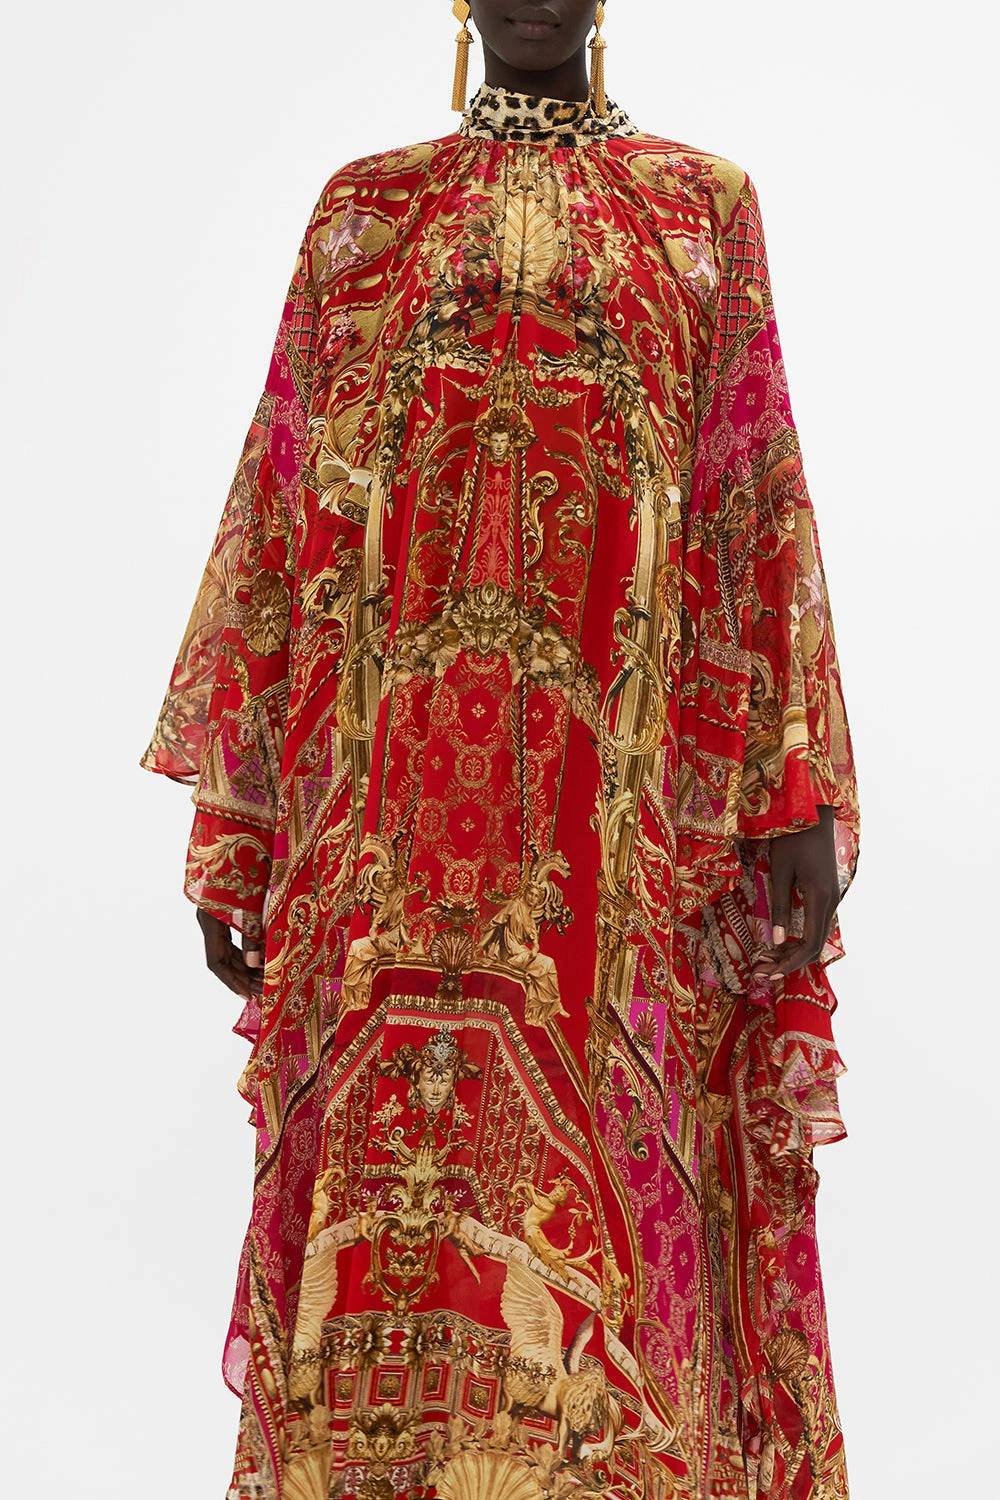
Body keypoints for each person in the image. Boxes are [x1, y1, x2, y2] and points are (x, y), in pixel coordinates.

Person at [142, 2, 859, 1496]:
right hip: (385, 831)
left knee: (622, 1165)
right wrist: (242, 824)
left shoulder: (700, 213)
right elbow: (283, 503)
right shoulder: (366, 218)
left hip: (620, 833)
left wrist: (788, 781)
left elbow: (750, 497)